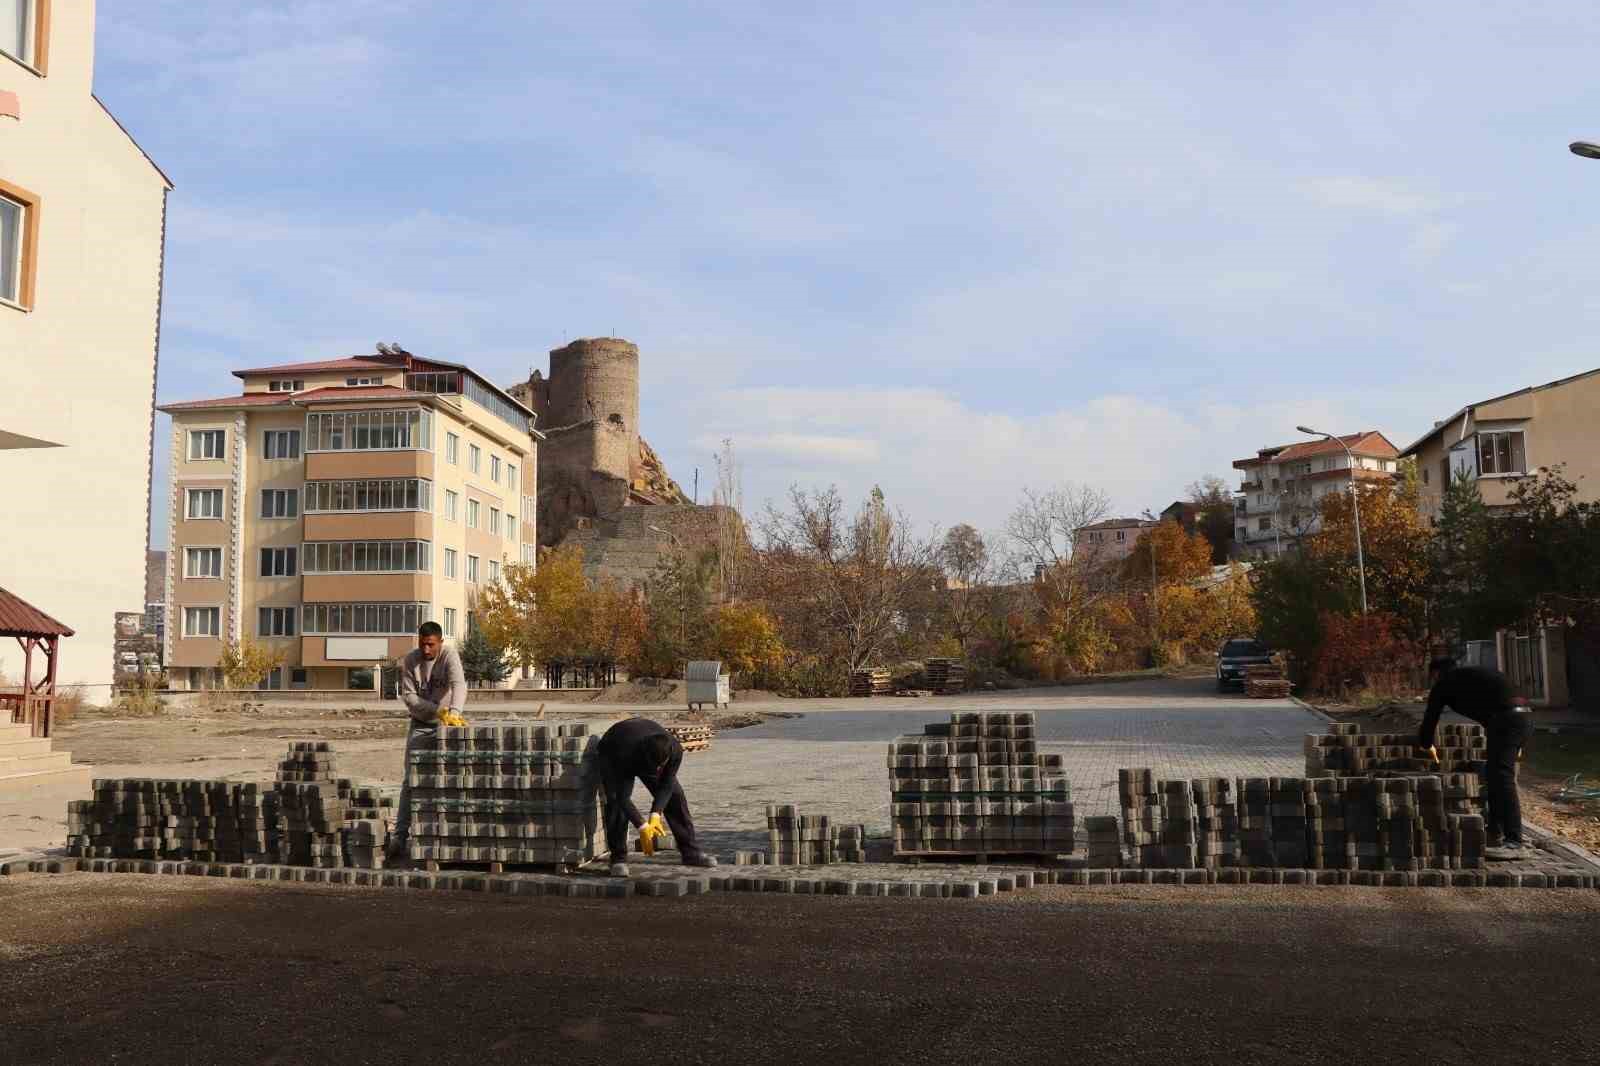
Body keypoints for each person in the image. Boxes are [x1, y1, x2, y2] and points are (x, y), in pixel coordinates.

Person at [1418, 656, 1533, 861]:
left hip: (1505, 721)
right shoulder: (1472, 674)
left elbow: (1430, 719)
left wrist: (1426, 745)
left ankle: (1514, 841)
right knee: (1495, 774)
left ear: (1436, 674)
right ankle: (1495, 832)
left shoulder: (1445, 683)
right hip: (1524, 717)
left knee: (1502, 777)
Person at [594, 717, 717, 876]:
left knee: (675, 796)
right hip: (614, 749)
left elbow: (667, 785)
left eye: (661, 766)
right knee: (616, 804)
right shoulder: (623, 752)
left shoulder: (675, 750)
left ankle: (691, 853)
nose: (658, 769)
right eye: (655, 767)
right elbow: (621, 797)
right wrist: (642, 825)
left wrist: (656, 813)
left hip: (641, 743)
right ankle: (618, 858)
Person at [387, 621, 468, 862]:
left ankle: (450, 835)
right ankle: (400, 837)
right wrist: (435, 710)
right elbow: (409, 697)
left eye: (431, 645)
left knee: (452, 777)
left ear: (440, 642)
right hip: (421, 725)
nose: (426, 650)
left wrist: (453, 713)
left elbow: (459, 684)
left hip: (447, 726)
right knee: (411, 780)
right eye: (422, 644)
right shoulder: (411, 661)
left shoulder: (449, 656)